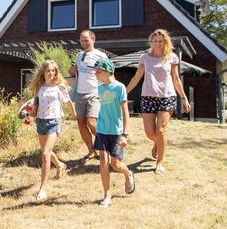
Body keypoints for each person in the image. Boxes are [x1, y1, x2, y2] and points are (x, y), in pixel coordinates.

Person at [126, 29, 191, 174]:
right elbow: (136, 77)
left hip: (167, 97)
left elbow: (176, 79)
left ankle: (160, 162)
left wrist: (184, 98)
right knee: (150, 133)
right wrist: (124, 92)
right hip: (148, 97)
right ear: (151, 42)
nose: (158, 43)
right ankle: (157, 142)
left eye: (161, 41)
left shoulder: (172, 57)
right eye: (155, 41)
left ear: (165, 41)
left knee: (161, 130)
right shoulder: (145, 58)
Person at [27, 59, 77, 202]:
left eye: (54, 70)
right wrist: (30, 115)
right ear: (43, 72)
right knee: (46, 152)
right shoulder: (39, 87)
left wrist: (74, 114)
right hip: (40, 121)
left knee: (45, 154)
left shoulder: (59, 87)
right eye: (48, 70)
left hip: (54, 121)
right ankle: (60, 165)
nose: (51, 73)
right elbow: (36, 106)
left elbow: (68, 102)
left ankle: (43, 189)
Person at [90, 58, 135, 207]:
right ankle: (107, 194)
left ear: (108, 71)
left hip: (116, 132)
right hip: (102, 130)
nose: (96, 74)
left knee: (115, 165)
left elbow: (125, 112)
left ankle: (128, 174)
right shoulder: (100, 88)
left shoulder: (119, 88)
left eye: (98, 72)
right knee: (103, 161)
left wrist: (125, 134)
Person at [68, 30, 107, 163]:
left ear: (93, 39)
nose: (84, 42)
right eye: (81, 40)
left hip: (95, 93)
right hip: (79, 94)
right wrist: (73, 69)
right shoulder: (79, 55)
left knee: (91, 122)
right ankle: (91, 151)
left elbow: (108, 71)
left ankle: (107, 145)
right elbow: (78, 69)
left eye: (86, 40)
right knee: (81, 123)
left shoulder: (101, 55)